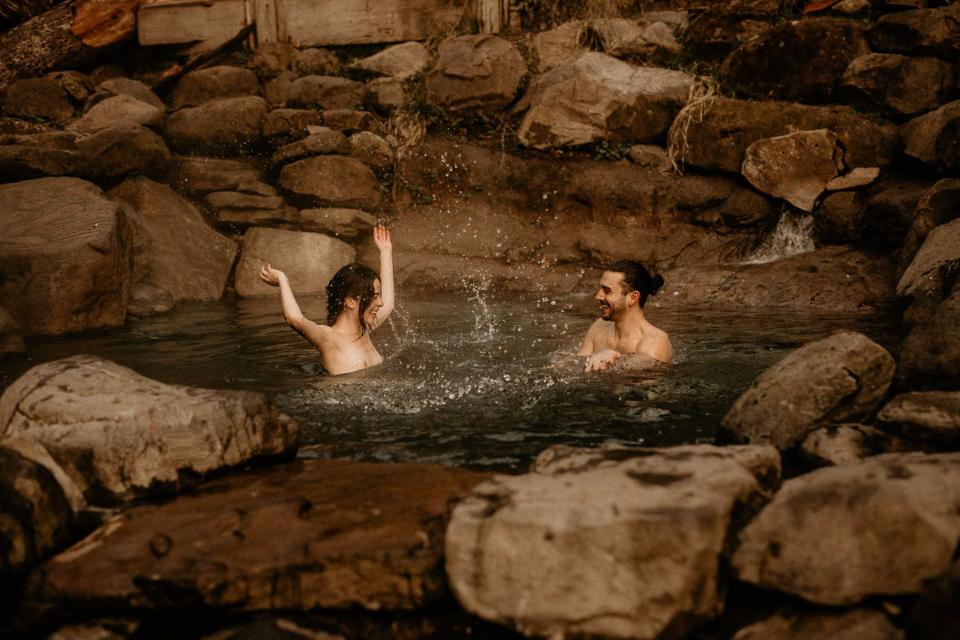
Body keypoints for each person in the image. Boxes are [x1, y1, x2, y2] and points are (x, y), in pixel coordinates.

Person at [259, 225, 395, 375]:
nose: (380, 303)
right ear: (350, 301)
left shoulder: (364, 330)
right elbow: (295, 319)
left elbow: (389, 304)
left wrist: (385, 252)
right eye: (374, 297)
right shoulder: (328, 338)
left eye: (379, 296)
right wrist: (282, 279)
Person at [577, 260, 672, 372]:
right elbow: (576, 366)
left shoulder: (655, 341)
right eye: (600, 289)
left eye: (607, 291)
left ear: (632, 298)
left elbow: (643, 381)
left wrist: (615, 357)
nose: (598, 296)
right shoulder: (599, 327)